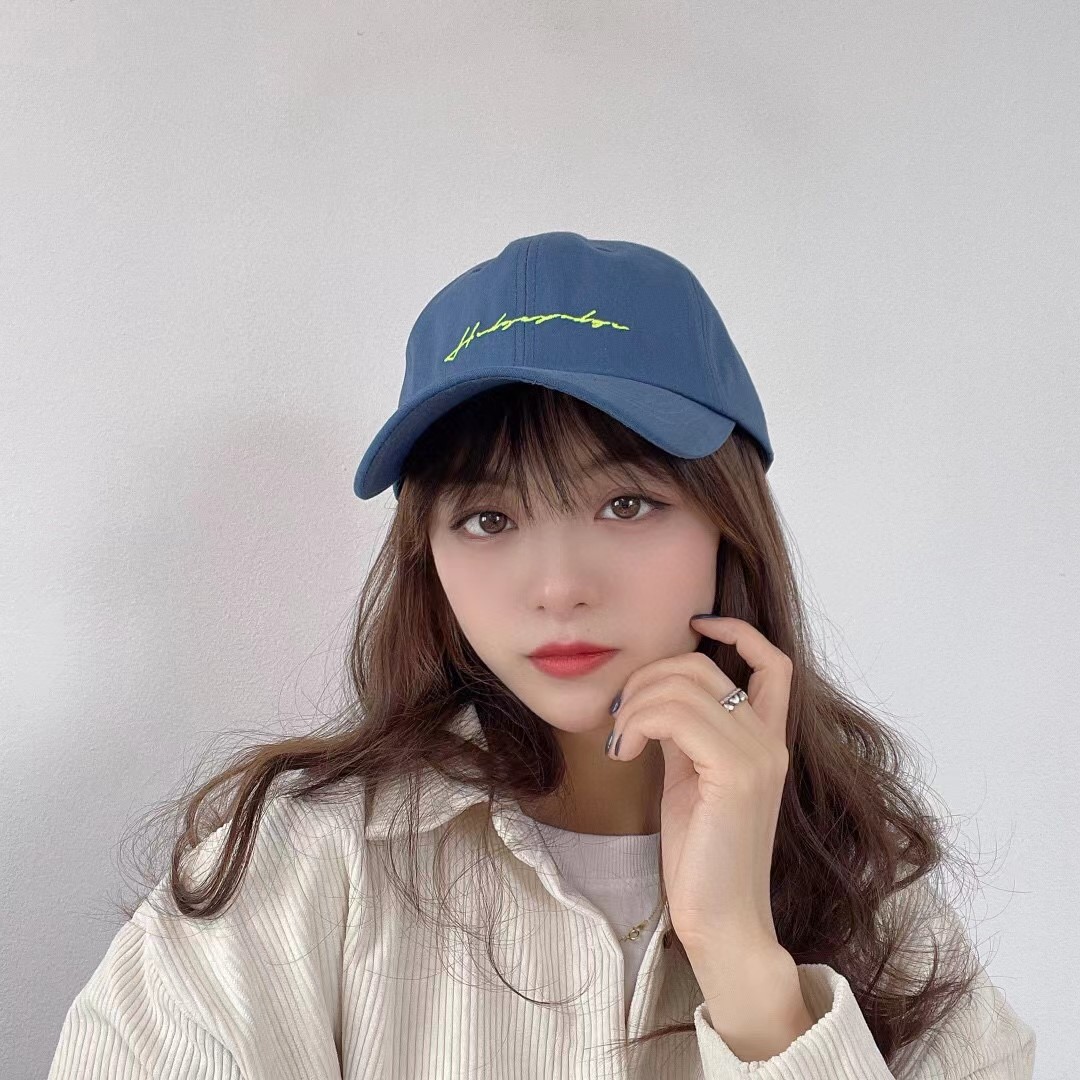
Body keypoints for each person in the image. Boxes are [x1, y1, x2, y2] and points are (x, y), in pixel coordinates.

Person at [48, 232, 1036, 1078]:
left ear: (728, 527)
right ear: (428, 556)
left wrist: (743, 957)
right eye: (488, 518)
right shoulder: (299, 865)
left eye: (626, 504)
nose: (558, 585)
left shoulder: (871, 890)